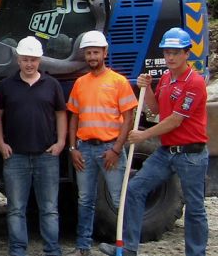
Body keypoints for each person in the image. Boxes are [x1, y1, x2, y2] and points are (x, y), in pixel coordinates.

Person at [99, 28, 210, 256]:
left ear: (186, 53)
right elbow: (156, 108)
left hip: (191, 155)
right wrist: (146, 88)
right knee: (135, 190)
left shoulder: (195, 83)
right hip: (166, 152)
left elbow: (176, 120)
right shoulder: (167, 78)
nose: (170, 57)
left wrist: (144, 135)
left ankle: (195, 253)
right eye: (167, 52)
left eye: (175, 53)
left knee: (195, 208)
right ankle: (129, 248)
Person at [0, 37, 66, 256]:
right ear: (18, 60)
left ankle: (52, 250)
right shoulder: (7, 86)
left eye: (33, 60)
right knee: (15, 209)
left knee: (49, 209)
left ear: (39, 60)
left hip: (47, 155)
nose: (29, 64)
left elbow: (61, 114)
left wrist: (61, 142)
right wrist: (0, 142)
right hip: (16, 157)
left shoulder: (52, 85)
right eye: (25, 59)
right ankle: (17, 251)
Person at [66, 30, 137, 256]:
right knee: (85, 200)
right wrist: (72, 148)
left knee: (119, 199)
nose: (92, 57)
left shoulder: (119, 82)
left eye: (96, 52)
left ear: (105, 53)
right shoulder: (79, 83)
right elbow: (74, 117)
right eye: (88, 53)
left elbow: (128, 118)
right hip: (84, 148)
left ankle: (126, 247)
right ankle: (83, 247)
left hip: (110, 148)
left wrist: (117, 149)